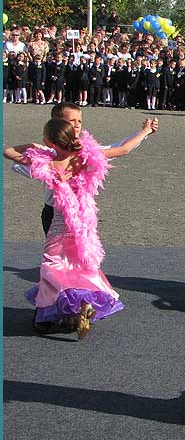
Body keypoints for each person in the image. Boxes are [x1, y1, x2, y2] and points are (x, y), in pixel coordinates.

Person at [10, 117, 155, 338]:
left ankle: (49, 315)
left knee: (53, 268)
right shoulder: (84, 158)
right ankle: (83, 304)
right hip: (84, 226)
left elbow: (8, 152)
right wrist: (145, 131)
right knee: (81, 268)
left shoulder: (48, 164)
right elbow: (124, 149)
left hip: (60, 224)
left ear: (50, 142)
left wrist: (32, 147)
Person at [4, 102, 159, 235]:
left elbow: (119, 148)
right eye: (72, 120)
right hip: (54, 212)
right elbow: (121, 149)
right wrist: (144, 132)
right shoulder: (49, 156)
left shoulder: (83, 153)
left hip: (78, 212)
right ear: (57, 123)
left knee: (65, 258)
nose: (77, 124)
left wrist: (143, 133)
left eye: (80, 121)